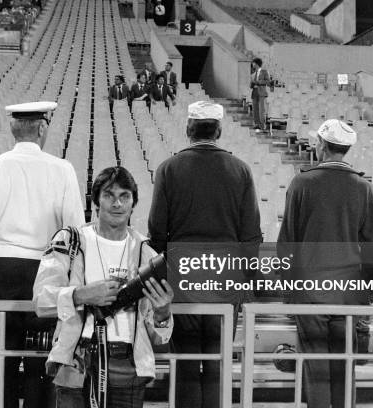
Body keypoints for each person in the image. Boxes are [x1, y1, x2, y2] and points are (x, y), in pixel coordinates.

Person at [0, 101, 85, 408]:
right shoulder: (62, 170)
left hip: (1, 269)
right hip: (45, 269)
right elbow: (74, 230)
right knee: (40, 361)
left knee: (1, 360)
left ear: (13, 128)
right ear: (43, 127)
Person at [148, 101, 261, 408]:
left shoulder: (168, 169)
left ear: (188, 129)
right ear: (219, 130)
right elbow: (250, 235)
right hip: (225, 278)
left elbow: (157, 231)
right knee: (217, 360)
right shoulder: (241, 170)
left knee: (185, 360)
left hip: (183, 277)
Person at [33, 166, 174, 408]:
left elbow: (157, 333)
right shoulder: (70, 240)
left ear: (133, 203)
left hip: (128, 366)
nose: (117, 203)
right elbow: (42, 301)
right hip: (77, 361)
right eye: (109, 195)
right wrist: (81, 294)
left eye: (125, 196)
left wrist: (162, 314)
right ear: (96, 201)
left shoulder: (146, 252)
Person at [277, 119, 373, 408]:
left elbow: (287, 243)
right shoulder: (364, 188)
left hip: (310, 291)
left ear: (322, 146)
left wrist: (288, 291)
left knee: (316, 367)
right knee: (344, 365)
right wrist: (369, 294)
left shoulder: (301, 183)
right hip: (348, 292)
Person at [250, 57, 270, 133]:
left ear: (256, 63)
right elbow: (251, 85)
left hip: (261, 92)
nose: (252, 64)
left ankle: (262, 125)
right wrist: (252, 84)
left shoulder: (264, 72)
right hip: (254, 91)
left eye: (253, 63)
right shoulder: (253, 74)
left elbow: (268, 82)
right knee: (255, 109)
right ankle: (256, 124)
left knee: (261, 110)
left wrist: (258, 82)